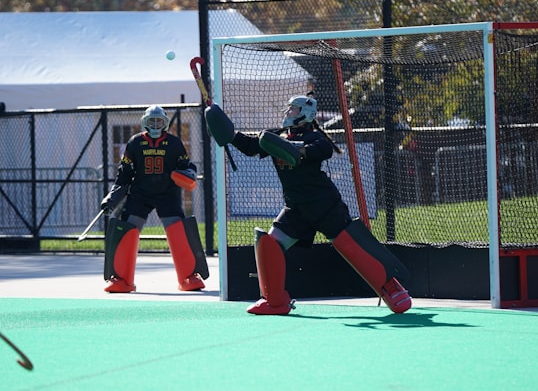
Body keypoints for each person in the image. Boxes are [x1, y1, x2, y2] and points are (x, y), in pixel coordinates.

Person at [216, 93, 412, 315]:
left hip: (324, 206)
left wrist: (297, 150)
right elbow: (251, 146)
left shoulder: (314, 138)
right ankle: (275, 301)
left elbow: (323, 149)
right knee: (269, 244)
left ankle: (392, 288)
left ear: (306, 114)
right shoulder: (276, 137)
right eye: (289, 109)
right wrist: (229, 134)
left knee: (353, 247)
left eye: (294, 109)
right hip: (296, 209)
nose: (289, 113)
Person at [100, 105, 208, 293]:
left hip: (167, 194)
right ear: (145, 123)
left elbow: (186, 166)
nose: (156, 124)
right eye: (152, 121)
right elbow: (124, 174)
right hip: (140, 194)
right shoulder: (134, 143)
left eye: (159, 121)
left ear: (165, 123)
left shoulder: (175, 143)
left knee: (178, 230)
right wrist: (112, 196)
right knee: (128, 230)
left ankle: (188, 276)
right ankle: (122, 279)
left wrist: (189, 173)